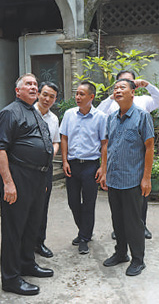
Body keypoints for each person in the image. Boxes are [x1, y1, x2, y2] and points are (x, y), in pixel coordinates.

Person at [0, 74, 54, 296]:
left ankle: (27, 263)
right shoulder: (10, 113)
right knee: (14, 229)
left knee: (32, 224)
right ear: (17, 91)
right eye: (28, 84)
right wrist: (8, 183)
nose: (33, 87)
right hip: (18, 177)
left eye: (35, 84)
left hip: (37, 179)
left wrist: (43, 180)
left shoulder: (34, 112)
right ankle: (10, 278)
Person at [98, 70, 159, 240]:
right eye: (118, 84)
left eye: (127, 83)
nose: (120, 88)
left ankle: (141, 226)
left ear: (134, 87)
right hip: (118, 162)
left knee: (139, 200)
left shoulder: (142, 102)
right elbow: (98, 113)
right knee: (119, 204)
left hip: (137, 158)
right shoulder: (114, 106)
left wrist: (148, 85)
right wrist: (113, 96)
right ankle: (120, 231)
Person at [99, 78, 154, 277]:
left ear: (133, 93)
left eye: (122, 87)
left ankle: (138, 260)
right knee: (118, 220)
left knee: (134, 222)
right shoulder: (111, 118)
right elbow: (107, 147)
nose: (118, 90)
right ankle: (121, 253)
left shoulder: (142, 116)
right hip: (114, 178)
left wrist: (146, 178)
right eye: (115, 88)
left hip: (133, 180)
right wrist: (104, 170)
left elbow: (149, 147)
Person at [59, 81, 107, 255]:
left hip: (90, 166)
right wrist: (64, 161)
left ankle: (84, 238)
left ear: (91, 97)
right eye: (76, 94)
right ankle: (85, 231)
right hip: (72, 164)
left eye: (81, 94)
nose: (77, 97)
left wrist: (103, 167)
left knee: (88, 203)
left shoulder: (100, 117)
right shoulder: (69, 114)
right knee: (73, 202)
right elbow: (64, 138)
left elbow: (104, 143)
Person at [34, 81, 60, 259]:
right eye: (45, 94)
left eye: (52, 96)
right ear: (38, 94)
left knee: (42, 206)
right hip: (28, 168)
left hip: (46, 168)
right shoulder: (28, 113)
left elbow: (56, 141)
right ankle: (25, 243)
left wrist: (52, 153)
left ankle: (39, 242)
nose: (47, 99)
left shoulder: (54, 118)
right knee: (28, 207)